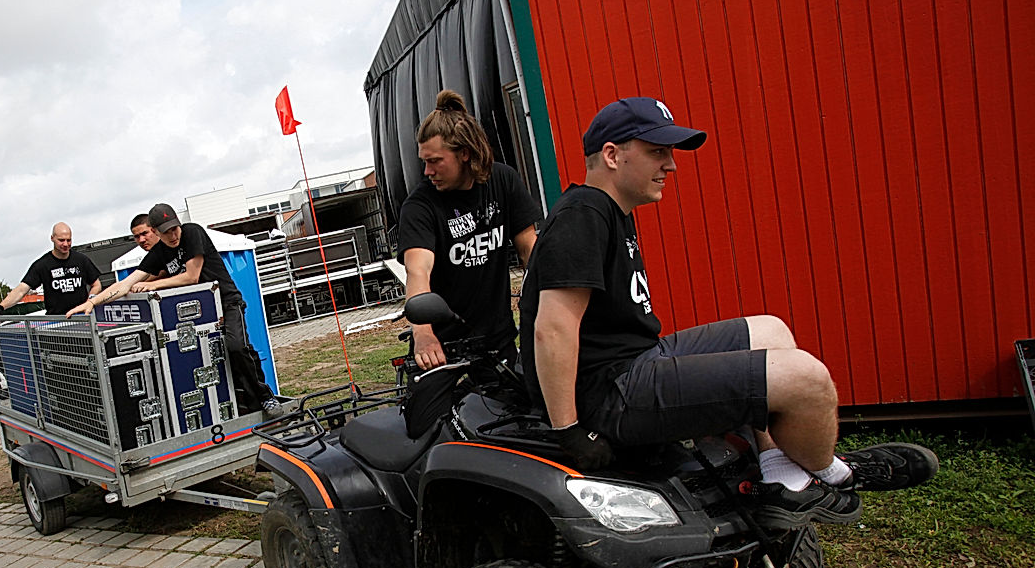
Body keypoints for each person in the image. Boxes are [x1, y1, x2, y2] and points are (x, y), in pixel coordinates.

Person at [518, 97, 937, 528]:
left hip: (640, 359)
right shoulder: (582, 215)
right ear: (612, 155)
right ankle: (833, 475)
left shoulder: (608, 211)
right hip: (613, 391)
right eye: (657, 152)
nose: (671, 166)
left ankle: (779, 473)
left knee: (771, 331)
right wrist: (568, 430)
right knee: (808, 381)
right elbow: (553, 327)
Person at [396, 88, 543, 437]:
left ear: (464, 154)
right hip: (441, 347)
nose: (427, 170)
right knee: (425, 434)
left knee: (520, 427)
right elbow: (418, 270)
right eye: (424, 161)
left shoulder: (502, 181)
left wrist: (549, 302)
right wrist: (423, 333)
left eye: (435, 161)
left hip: (497, 339)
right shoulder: (420, 205)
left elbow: (530, 249)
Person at [67, 204, 281, 417]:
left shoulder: (192, 232)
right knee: (216, 358)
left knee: (237, 346)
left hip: (226, 302)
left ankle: (266, 398)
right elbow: (125, 285)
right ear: (156, 232)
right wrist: (93, 303)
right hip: (201, 313)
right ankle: (244, 405)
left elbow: (192, 276)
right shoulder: (158, 253)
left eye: (174, 229)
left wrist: (154, 285)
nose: (172, 236)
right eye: (166, 232)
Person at [0, 222, 102, 320]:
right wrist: (1, 307)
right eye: (61, 240)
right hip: (56, 321)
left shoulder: (81, 260)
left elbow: (96, 285)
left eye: (69, 240)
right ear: (52, 238)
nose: (66, 244)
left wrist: (89, 301)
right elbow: (21, 290)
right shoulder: (42, 264)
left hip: (82, 319)